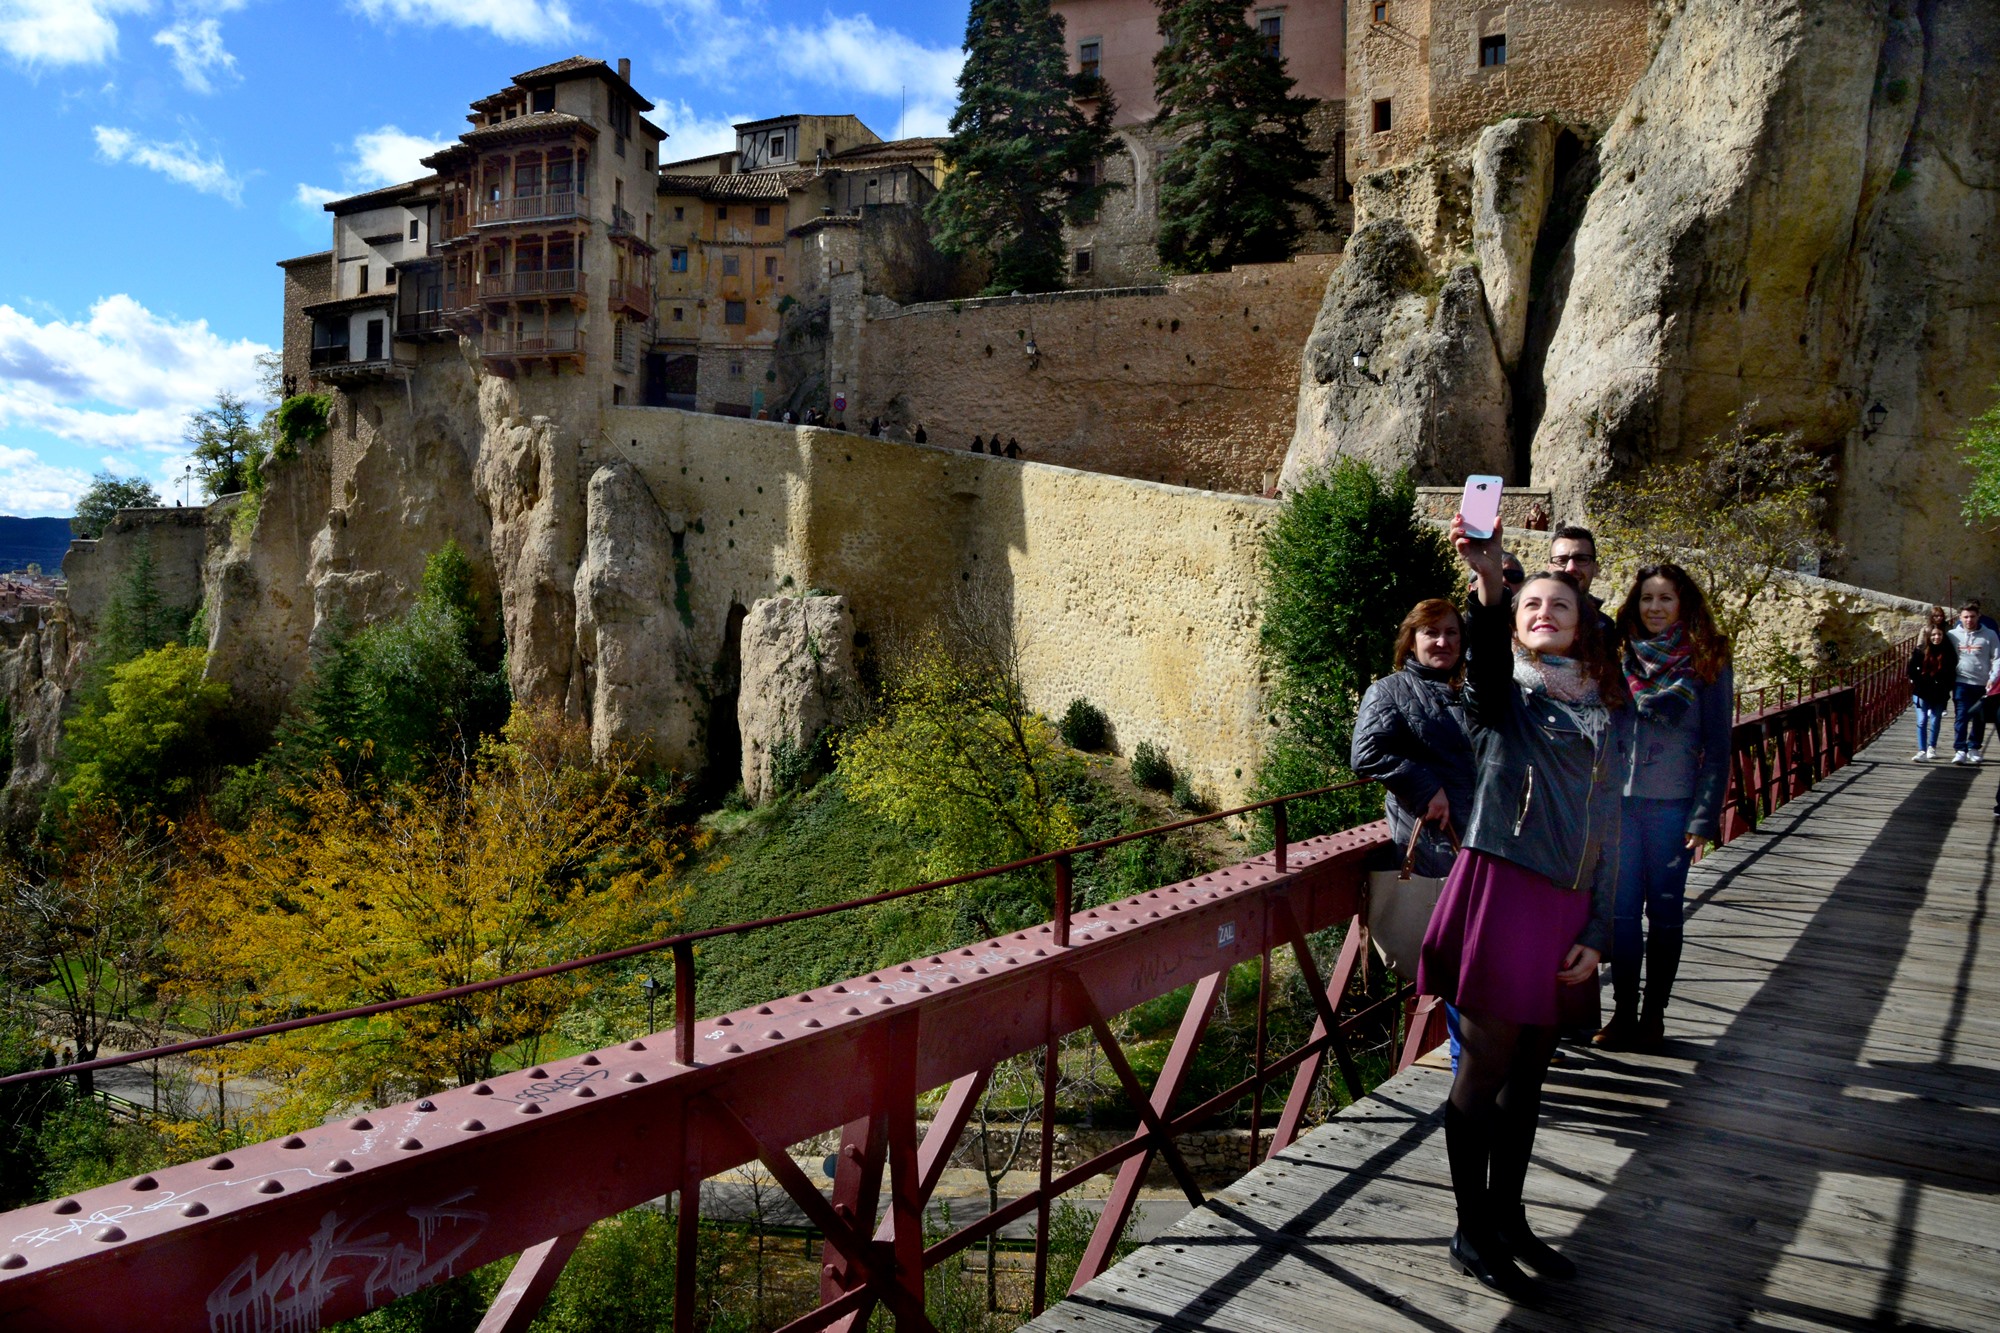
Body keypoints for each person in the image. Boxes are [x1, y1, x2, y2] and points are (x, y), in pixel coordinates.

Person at [1420, 515, 1630, 1295]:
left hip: (1567, 907)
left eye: (1561, 606)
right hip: (1503, 892)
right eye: (1530, 605)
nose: (1545, 613)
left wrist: (1602, 930)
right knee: (1484, 1068)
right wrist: (1487, 575)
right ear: (1514, 623)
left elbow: (1612, 827)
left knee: (1531, 1074)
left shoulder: (1605, 715)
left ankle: (1508, 1217)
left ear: (1584, 624)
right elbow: (1481, 673)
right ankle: (1471, 1230)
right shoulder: (1504, 701)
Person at [1597, 563, 1733, 1054]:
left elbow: (1718, 747)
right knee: (1621, 914)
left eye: (1665, 599)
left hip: (1672, 807)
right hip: (1619, 807)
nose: (1654, 608)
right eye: (1646, 599)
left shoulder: (1707, 659)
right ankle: (1622, 1013)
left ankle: (1654, 1015)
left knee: (1667, 913)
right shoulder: (1618, 656)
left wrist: (1703, 817)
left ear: (1683, 605)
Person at [1352, 599, 1475, 878]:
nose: (1443, 641)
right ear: (1411, 641)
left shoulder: (1469, 692)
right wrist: (1427, 788)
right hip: (1432, 843)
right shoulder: (1389, 690)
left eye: (1451, 632)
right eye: (1431, 632)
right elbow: (1367, 753)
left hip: (1480, 837)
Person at [1548, 525, 1617, 654]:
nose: (1571, 568)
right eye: (1561, 560)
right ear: (1550, 567)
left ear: (1596, 568)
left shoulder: (1606, 628)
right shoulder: (1531, 621)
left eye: (1581, 559)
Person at [1947, 601, 1998, 763]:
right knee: (1961, 715)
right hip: (1961, 681)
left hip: (1983, 682)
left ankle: (1974, 747)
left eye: (1972, 617)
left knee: (1979, 717)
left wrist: (1993, 678)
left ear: (1978, 616)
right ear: (1960, 617)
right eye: (1966, 617)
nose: (1969, 620)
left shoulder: (1990, 634)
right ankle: (1960, 749)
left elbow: (1997, 658)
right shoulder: (1952, 635)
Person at [1907, 627, 1955, 761]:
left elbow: (1951, 672)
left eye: (1939, 634)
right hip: (1922, 691)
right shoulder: (1920, 652)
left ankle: (1931, 747)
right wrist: (1918, 681)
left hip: (1939, 691)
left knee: (1935, 720)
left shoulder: (1948, 653)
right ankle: (1921, 750)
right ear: (1928, 636)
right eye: (1933, 635)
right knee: (1922, 720)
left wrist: (1946, 686)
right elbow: (1911, 670)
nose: (1936, 637)